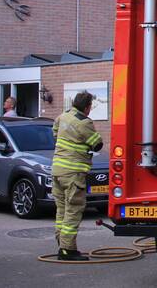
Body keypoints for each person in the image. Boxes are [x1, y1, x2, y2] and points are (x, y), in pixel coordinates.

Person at [52, 91, 103, 261]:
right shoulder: (84, 122)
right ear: (87, 107)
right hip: (73, 173)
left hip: (57, 171)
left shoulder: (62, 116)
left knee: (62, 210)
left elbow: (55, 134)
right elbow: (97, 144)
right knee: (73, 210)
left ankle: (61, 243)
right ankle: (67, 250)